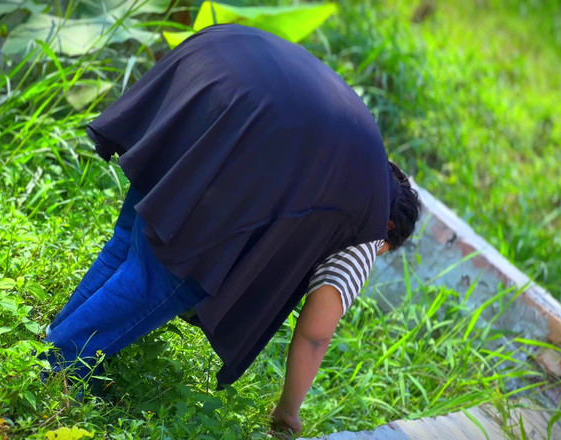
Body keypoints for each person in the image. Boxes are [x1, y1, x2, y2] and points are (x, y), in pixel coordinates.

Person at [43, 24, 420, 436]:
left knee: (129, 245)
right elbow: (315, 334)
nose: (372, 255)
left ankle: (51, 349)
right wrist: (288, 413)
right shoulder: (367, 218)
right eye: (381, 250)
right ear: (387, 231)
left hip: (213, 76)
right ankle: (52, 370)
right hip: (243, 124)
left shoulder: (350, 161)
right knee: (165, 275)